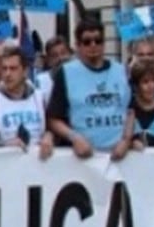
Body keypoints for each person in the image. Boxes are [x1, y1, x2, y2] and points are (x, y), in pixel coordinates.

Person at [47, 19, 130, 158]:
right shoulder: (66, 73)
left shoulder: (121, 71)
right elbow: (53, 119)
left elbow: (131, 111)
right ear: (78, 45)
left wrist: (126, 140)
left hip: (121, 156)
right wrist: (74, 137)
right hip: (84, 158)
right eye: (87, 42)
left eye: (98, 40)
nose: (93, 45)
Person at [0, 46, 53, 158]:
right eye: (4, 69)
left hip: (38, 165)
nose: (7, 74)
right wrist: (4, 145)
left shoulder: (39, 98)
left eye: (13, 68)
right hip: (4, 166)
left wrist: (49, 136)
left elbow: (52, 127)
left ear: (25, 71)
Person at [121, 57, 154, 153]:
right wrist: (130, 144)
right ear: (136, 85)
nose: (151, 86)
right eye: (145, 82)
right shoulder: (128, 107)